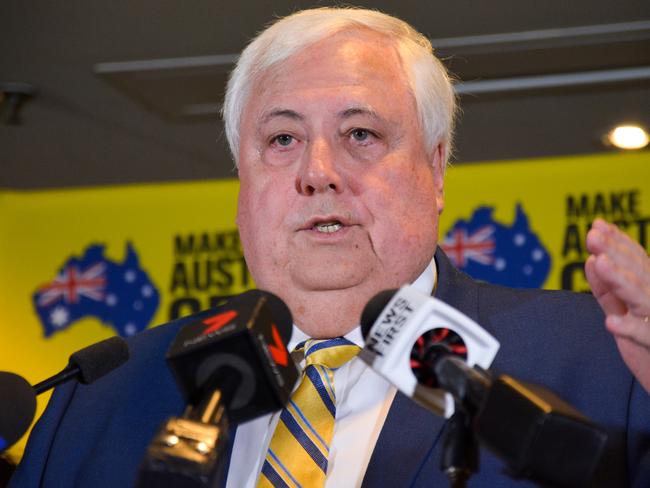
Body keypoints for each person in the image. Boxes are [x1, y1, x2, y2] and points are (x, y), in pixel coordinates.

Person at [10, 7, 650, 488]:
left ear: (436, 171)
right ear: (243, 177)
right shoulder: (95, 401)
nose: (319, 171)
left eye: (362, 133)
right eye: (283, 139)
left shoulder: (604, 361)